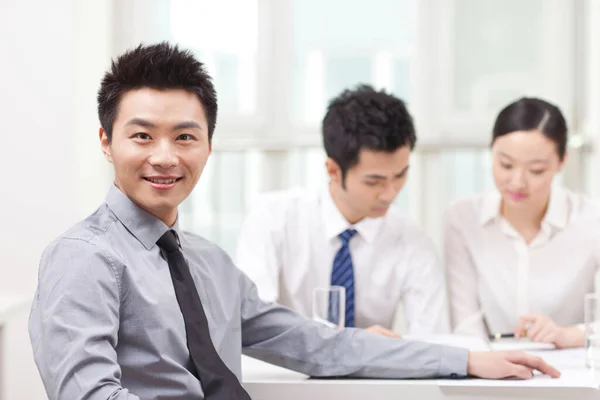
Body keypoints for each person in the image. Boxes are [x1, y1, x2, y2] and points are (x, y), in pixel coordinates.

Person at [29, 43, 559, 400]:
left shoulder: (208, 264)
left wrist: (462, 360)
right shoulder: (84, 255)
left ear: (209, 145)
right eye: (142, 135)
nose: (165, 156)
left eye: (185, 137)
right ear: (107, 141)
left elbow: (319, 343)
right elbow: (90, 394)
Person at [236, 85, 448, 337]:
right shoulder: (273, 218)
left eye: (400, 175)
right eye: (374, 181)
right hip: (287, 373)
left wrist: (387, 349)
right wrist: (349, 345)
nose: (391, 193)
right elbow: (252, 323)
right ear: (334, 171)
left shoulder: (411, 238)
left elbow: (433, 339)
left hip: (378, 373)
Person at [444, 97, 600, 348]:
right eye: (505, 164)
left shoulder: (591, 220)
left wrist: (569, 335)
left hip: (570, 370)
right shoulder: (463, 218)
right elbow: (465, 325)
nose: (517, 182)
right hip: (488, 369)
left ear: (562, 161)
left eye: (536, 170)